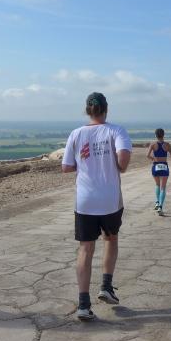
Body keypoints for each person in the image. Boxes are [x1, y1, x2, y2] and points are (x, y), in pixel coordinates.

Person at [61, 92, 132, 321]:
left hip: (85, 200)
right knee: (110, 239)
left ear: (87, 110)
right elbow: (123, 163)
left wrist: (85, 164)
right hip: (109, 199)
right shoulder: (116, 131)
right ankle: (106, 286)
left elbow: (66, 167)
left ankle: (83, 304)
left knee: (85, 248)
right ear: (106, 108)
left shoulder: (76, 133)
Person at [147, 128, 171, 215]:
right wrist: (169, 152)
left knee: (157, 185)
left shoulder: (153, 144)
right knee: (163, 187)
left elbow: (147, 155)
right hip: (164, 166)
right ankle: (160, 207)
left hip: (155, 165)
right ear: (163, 135)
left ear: (155, 135)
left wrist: (153, 159)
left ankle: (157, 202)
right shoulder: (167, 145)